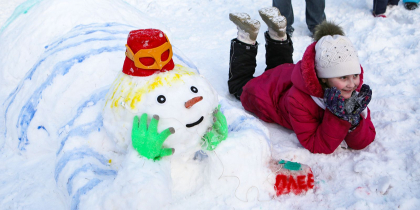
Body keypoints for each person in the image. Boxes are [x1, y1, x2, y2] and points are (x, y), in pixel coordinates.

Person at [228, 7, 376, 154]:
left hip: (285, 74)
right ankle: (246, 36)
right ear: (323, 77)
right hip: (266, 94)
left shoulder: (348, 90)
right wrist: (338, 116)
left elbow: (364, 141)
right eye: (343, 77)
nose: (352, 84)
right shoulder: (298, 100)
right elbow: (316, 145)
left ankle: (278, 34)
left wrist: (354, 121)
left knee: (279, 65)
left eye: (355, 76)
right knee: (239, 85)